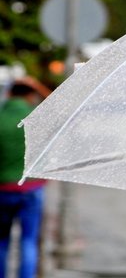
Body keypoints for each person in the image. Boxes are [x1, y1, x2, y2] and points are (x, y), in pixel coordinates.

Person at [0, 77, 51, 278]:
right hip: (32, 188)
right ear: (30, 95)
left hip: (3, 189)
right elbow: (63, 108)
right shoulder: (36, 117)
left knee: (2, 241)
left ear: (9, 94)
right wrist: (37, 84)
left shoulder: (1, 117)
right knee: (28, 241)